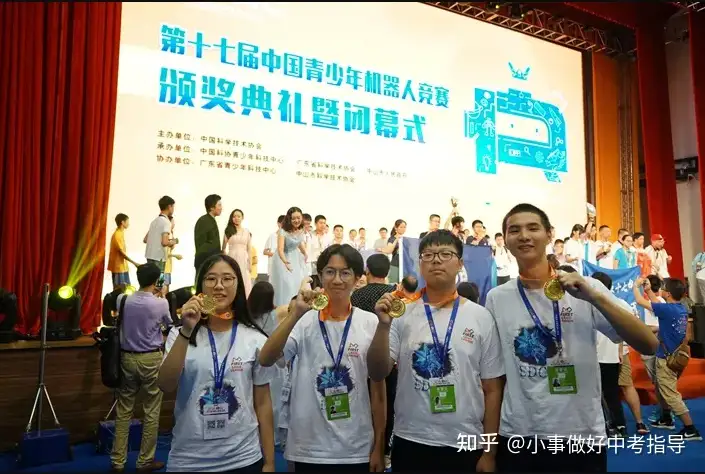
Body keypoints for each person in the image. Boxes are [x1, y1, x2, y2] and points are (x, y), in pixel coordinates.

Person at [485, 203, 658, 472]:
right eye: (514, 230)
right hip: (520, 434)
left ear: (549, 235)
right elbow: (494, 379)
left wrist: (594, 297)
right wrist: (490, 449)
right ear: (505, 240)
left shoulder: (586, 288)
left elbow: (649, 343)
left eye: (533, 228)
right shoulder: (497, 298)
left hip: (581, 433)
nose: (524, 236)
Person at [368, 230, 505, 472]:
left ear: (460, 264)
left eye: (445, 254)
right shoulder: (402, 314)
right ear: (420, 264)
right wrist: (383, 325)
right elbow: (378, 372)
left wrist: (489, 451)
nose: (436, 260)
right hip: (411, 439)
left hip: (465, 441)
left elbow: (492, 390)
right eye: (428, 255)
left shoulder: (481, 317)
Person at [259, 244, 386, 471]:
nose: (337, 279)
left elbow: (378, 390)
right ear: (320, 275)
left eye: (345, 273)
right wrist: (295, 314)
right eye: (330, 272)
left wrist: (379, 445)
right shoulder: (304, 321)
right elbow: (266, 358)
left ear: (358, 278)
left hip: (355, 448)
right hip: (309, 449)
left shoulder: (369, 322)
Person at [158, 254, 275, 472]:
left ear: (238, 285)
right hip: (190, 459)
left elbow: (263, 403)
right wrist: (187, 330)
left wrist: (269, 461)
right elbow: (165, 385)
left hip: (243, 457)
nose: (219, 286)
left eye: (227, 278)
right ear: (201, 285)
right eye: (211, 279)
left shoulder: (255, 338)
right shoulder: (180, 334)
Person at [111, 263, 173, 473]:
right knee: (151, 410)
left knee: (123, 410)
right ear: (156, 281)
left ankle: (117, 461)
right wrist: (161, 296)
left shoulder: (122, 299)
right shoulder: (161, 303)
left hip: (127, 358)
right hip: (151, 359)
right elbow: (169, 324)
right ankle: (145, 460)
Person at [633, 277, 701, 440]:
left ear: (668, 294)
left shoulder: (667, 310)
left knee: (670, 394)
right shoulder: (680, 308)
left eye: (664, 288)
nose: (661, 290)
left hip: (666, 359)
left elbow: (640, 301)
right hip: (676, 357)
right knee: (661, 388)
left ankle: (690, 428)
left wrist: (635, 286)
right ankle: (666, 418)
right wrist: (649, 290)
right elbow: (657, 303)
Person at [270, 207, 308, 306]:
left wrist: (305, 253)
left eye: (298, 218)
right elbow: (280, 249)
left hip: (295, 258)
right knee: (287, 284)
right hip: (283, 258)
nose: (296, 220)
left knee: (297, 282)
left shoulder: (301, 229)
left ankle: (297, 305)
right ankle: (284, 306)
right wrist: (285, 262)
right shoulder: (283, 231)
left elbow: (298, 242)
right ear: (289, 219)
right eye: (293, 218)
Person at [223, 209, 253, 296]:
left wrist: (250, 263)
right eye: (234, 216)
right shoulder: (228, 231)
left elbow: (249, 249)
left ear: (242, 218)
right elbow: (223, 248)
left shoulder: (247, 232)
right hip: (232, 258)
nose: (236, 218)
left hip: (244, 259)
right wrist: (226, 261)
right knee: (233, 279)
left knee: (244, 280)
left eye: (238, 216)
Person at [144, 196, 178, 272]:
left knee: (150, 278)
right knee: (159, 279)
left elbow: (145, 239)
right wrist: (174, 241)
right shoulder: (166, 222)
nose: (173, 209)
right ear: (169, 206)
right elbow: (164, 242)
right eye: (173, 207)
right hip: (159, 258)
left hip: (149, 256)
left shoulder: (154, 222)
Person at [108, 213, 139, 289]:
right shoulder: (117, 235)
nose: (128, 224)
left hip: (122, 267)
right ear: (122, 222)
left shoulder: (120, 233)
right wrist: (135, 263)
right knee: (120, 290)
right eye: (127, 221)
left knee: (126, 289)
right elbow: (122, 253)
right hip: (118, 268)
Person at [194, 194, 223, 271]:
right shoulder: (203, 221)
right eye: (219, 205)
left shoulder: (211, 220)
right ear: (211, 207)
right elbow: (201, 245)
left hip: (213, 262)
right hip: (206, 263)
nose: (221, 208)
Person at [382, 219, 407, 284]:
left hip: (405, 265)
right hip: (395, 265)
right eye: (401, 227)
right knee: (393, 284)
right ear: (396, 228)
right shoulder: (392, 238)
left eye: (404, 227)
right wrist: (397, 239)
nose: (403, 229)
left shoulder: (405, 239)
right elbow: (389, 250)